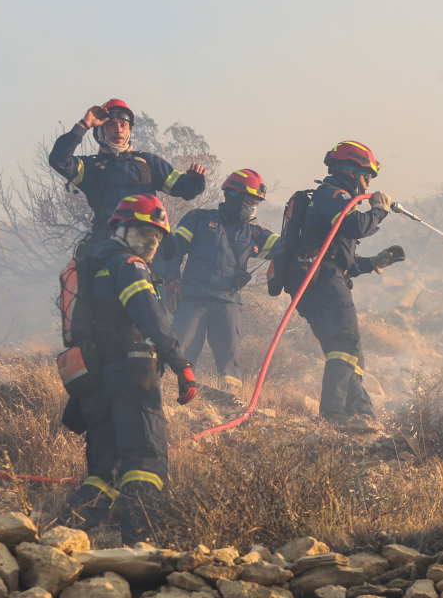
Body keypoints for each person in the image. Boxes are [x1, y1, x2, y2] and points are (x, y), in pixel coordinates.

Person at [55, 194, 227, 546]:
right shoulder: (128, 265)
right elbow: (150, 316)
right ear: (122, 228)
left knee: (104, 471)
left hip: (94, 381)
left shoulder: (93, 264)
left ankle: (56, 540)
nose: (152, 242)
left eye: (158, 237)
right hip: (130, 380)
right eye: (145, 233)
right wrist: (181, 364)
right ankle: (141, 548)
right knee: (146, 461)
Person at [294, 142, 406, 425]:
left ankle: (361, 413)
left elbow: (345, 262)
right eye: (366, 175)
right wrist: (379, 209)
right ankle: (333, 414)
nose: (367, 183)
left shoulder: (335, 200)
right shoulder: (332, 196)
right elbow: (357, 226)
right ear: (351, 170)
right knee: (346, 343)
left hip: (322, 282)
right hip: (324, 284)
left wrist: (374, 263)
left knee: (348, 352)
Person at [48, 99, 208, 285]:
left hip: (149, 247)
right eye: (111, 125)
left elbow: (184, 188)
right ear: (100, 130)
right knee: (107, 304)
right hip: (107, 244)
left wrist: (195, 179)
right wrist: (84, 124)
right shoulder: (90, 167)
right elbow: (58, 160)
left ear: (129, 129)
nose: (118, 130)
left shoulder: (149, 163)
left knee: (154, 304)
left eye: (123, 125)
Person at [165, 169, 281, 395]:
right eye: (249, 201)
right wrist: (171, 282)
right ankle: (173, 396)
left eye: (256, 202)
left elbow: (288, 247)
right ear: (233, 196)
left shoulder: (254, 234)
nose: (253, 207)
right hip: (192, 299)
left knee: (230, 359)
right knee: (182, 351)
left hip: (228, 303)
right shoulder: (198, 219)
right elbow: (172, 253)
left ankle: (231, 402)